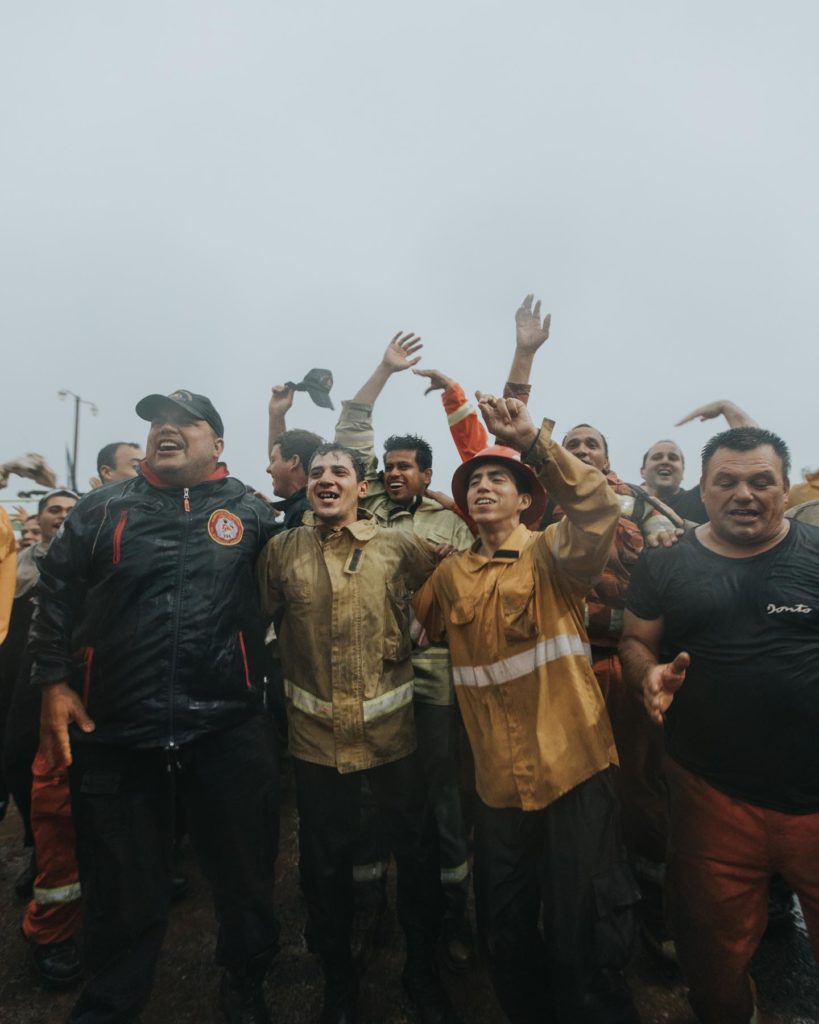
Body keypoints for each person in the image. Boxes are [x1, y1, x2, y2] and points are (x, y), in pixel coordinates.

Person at [29, 389, 281, 1024]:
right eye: (156, 425)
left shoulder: (252, 515)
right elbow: (54, 595)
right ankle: (111, 1001)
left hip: (228, 727)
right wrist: (55, 682)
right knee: (118, 885)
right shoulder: (99, 510)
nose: (165, 431)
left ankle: (245, 983)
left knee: (245, 878)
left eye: (184, 423)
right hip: (117, 728)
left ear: (217, 445)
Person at [413, 393, 640, 1024]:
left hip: (574, 771)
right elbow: (396, 631)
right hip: (497, 787)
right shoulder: (450, 575)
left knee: (586, 935)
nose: (485, 487)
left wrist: (537, 445)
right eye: (475, 482)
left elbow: (598, 506)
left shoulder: (554, 555)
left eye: (498, 480)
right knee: (507, 937)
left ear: (524, 499)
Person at [258, 441, 461, 1024]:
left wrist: (425, 624)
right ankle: (338, 985)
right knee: (323, 869)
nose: (326, 478)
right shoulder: (279, 552)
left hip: (394, 739)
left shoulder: (398, 544)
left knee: (416, 858)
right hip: (316, 746)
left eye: (339, 471)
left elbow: (454, 573)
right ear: (307, 486)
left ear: (360, 485)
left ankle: (422, 974)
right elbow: (255, 624)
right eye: (317, 471)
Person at [620, 426, 819, 1024]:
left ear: (786, 488)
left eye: (762, 481)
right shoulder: (665, 566)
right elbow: (634, 639)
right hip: (711, 796)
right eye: (726, 482)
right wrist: (646, 675)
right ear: (701, 492)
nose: (744, 494)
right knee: (711, 957)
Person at [334, 333, 476, 971]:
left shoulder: (453, 522)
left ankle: (452, 906)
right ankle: (368, 903)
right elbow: (352, 432)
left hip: (434, 670)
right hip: (367, 670)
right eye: (387, 468)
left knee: (441, 787)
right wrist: (384, 371)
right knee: (368, 786)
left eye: (405, 468)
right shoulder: (358, 514)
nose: (393, 474)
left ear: (426, 475)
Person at [640, 399, 758, 524]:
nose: (665, 461)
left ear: (683, 472)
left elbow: (755, 452)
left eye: (673, 458)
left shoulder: (701, 499)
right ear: (642, 471)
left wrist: (726, 407)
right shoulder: (625, 498)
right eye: (657, 457)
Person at [266, 383, 324, 528]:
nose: (268, 469)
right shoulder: (307, 506)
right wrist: (276, 414)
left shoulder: (306, 514)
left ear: (294, 462)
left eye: (273, 461)